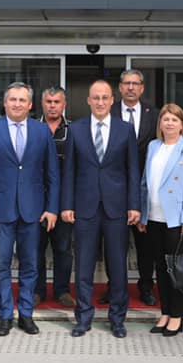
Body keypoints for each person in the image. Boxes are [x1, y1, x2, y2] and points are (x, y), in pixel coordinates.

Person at [0, 82, 60, 337]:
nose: (17, 104)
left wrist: (52, 208)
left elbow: (52, 173)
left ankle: (26, 314)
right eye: (13, 99)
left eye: (22, 100)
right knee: (1, 265)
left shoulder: (42, 131)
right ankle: (4, 316)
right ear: (5, 102)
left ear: (30, 104)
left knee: (30, 265)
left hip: (33, 210)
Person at [62, 80, 140, 339]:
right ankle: (83, 318)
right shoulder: (76, 129)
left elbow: (132, 170)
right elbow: (69, 171)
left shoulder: (125, 129)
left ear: (112, 100)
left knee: (117, 267)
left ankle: (117, 319)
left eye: (105, 97)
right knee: (83, 266)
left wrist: (134, 204)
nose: (100, 102)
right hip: (84, 207)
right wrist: (67, 205)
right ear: (88, 100)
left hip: (117, 207)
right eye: (95, 97)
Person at [137, 104, 183, 337]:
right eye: (165, 119)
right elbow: (145, 182)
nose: (169, 123)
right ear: (160, 124)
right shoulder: (153, 146)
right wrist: (143, 214)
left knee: (177, 269)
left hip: (178, 219)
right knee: (161, 268)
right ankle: (165, 312)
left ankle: (177, 316)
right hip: (154, 216)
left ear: (182, 124)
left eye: (174, 120)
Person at [111, 69, 160, 306]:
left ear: (142, 88)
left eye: (135, 83)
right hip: (114, 188)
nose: (131, 87)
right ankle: (114, 286)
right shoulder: (108, 112)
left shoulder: (155, 114)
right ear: (120, 87)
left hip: (145, 187)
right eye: (126, 83)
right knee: (115, 243)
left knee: (145, 244)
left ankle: (146, 286)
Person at [35, 86, 75, 308]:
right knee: (35, 248)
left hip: (63, 201)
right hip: (35, 200)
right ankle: (37, 291)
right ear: (42, 104)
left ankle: (62, 290)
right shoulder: (33, 128)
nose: (52, 106)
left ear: (64, 104)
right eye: (48, 102)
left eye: (56, 102)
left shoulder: (74, 130)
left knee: (63, 248)